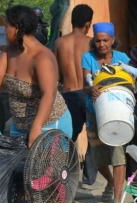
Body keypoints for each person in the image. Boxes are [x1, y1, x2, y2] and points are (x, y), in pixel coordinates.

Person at [0, 5, 72, 203]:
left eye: (6, 24)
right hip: (20, 125)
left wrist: (37, 128)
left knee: (49, 186)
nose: (3, 28)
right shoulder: (8, 52)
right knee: (23, 186)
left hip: (50, 123)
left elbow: (49, 94)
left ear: (16, 28)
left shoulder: (43, 57)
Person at [54, 4, 103, 191]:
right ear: (88, 23)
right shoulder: (92, 43)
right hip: (89, 95)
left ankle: (60, 177)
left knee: (67, 138)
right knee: (94, 138)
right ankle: (90, 180)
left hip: (68, 95)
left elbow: (56, 75)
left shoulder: (59, 43)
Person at [82, 22, 131, 203]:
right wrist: (91, 88)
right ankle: (110, 181)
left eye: (105, 40)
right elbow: (84, 85)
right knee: (99, 157)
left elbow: (131, 81)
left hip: (118, 112)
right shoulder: (88, 58)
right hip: (95, 112)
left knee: (118, 156)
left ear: (113, 40)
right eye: (98, 41)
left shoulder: (122, 58)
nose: (101, 44)